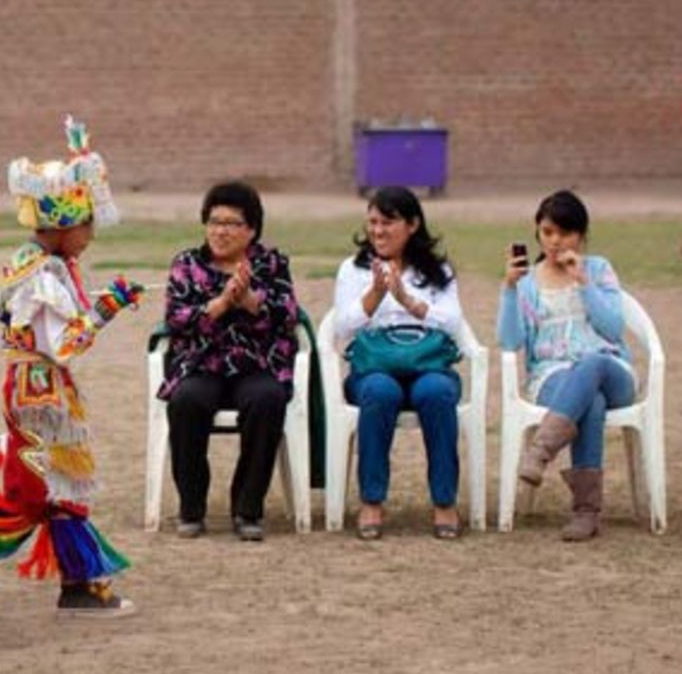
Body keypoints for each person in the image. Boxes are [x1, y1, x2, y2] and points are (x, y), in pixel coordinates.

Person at [0, 116, 143, 615]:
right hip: (38, 395)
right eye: (85, 225)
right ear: (63, 225)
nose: (90, 235)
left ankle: (80, 584)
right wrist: (107, 311)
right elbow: (65, 341)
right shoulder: (41, 275)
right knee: (35, 493)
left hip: (40, 389)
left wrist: (105, 301)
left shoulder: (41, 264)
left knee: (60, 486)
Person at [158, 180, 299, 541]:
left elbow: (287, 316)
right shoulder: (187, 264)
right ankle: (191, 507)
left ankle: (247, 509)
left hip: (256, 363)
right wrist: (220, 304)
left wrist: (250, 300)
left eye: (231, 223)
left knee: (267, 400)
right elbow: (175, 319)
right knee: (187, 402)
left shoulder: (272, 263)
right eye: (214, 221)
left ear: (251, 229)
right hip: (201, 362)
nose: (220, 230)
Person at [497, 190, 635, 541]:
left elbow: (613, 328)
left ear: (581, 235)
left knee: (592, 364)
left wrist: (583, 283)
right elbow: (510, 341)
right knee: (591, 401)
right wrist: (509, 290)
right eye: (547, 232)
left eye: (565, 232)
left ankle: (541, 452)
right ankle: (586, 512)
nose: (556, 241)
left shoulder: (599, 270)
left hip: (611, 369)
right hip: (552, 375)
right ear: (537, 233)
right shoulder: (527, 283)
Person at [330, 185, 466, 540]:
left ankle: (444, 501)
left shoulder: (438, 271)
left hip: (429, 365)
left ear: (413, 224)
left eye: (388, 222)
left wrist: (409, 301)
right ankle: (372, 501)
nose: (378, 231)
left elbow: (454, 324)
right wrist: (374, 295)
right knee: (379, 392)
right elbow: (342, 327)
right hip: (374, 367)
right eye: (373, 222)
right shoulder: (354, 269)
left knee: (437, 393)